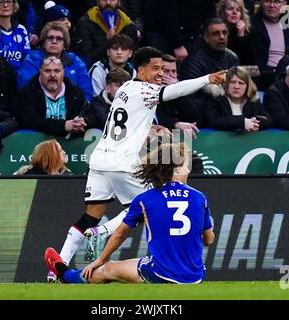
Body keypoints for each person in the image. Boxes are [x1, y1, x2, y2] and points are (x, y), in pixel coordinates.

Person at [45, 46, 225, 282]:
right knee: (146, 206)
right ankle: (101, 234)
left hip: (100, 160)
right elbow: (175, 91)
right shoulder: (146, 90)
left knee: (90, 216)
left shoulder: (125, 89)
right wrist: (207, 79)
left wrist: (150, 128)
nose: (160, 73)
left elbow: (126, 122)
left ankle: (56, 270)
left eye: (163, 68)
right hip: (122, 162)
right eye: (155, 68)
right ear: (140, 69)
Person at [44, 142, 215, 284]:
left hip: (160, 273)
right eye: (186, 166)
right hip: (195, 277)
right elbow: (209, 239)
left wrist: (100, 260)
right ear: (176, 169)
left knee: (108, 269)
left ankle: (67, 276)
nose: (188, 170)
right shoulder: (199, 197)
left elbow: (119, 234)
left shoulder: (145, 199)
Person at [16, 56, 95, 136]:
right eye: (47, 71)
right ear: (40, 72)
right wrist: (63, 126)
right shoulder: (27, 93)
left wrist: (83, 122)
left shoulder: (76, 93)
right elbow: (28, 120)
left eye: (57, 71)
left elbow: (90, 115)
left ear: (63, 73)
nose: (52, 75)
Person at [16, 21, 92, 102]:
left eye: (59, 39)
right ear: (44, 42)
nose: (54, 41)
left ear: (64, 45)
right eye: (50, 38)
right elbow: (25, 89)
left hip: (72, 109)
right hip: (38, 107)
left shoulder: (75, 61)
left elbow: (86, 93)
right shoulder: (32, 59)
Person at [180, 18, 239, 110]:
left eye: (224, 32)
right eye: (216, 33)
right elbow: (190, 98)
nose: (222, 37)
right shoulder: (194, 62)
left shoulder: (233, 57)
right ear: (206, 38)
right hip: (206, 111)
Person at [203, 66, 274, 132]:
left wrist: (255, 121)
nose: (236, 87)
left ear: (247, 86)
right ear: (226, 84)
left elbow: (269, 120)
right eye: (233, 82)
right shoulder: (217, 98)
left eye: (241, 83)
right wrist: (242, 122)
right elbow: (212, 121)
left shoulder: (253, 99)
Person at [143, 0, 216, 62]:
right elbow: (167, 13)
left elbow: (210, 10)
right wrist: (177, 45)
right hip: (164, 35)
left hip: (192, 35)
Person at [73, 0, 138, 68]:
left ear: (119, 1)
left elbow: (134, 57)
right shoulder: (85, 23)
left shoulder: (128, 24)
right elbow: (85, 59)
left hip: (125, 72)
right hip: (94, 72)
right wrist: (108, 42)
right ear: (97, 1)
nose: (108, 3)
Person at [250, 0, 289, 91]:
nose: (272, 5)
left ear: (284, 3)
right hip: (261, 78)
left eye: (277, 2)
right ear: (261, 2)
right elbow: (252, 59)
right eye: (267, 1)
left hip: (284, 76)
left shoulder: (287, 20)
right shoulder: (252, 23)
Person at [156, 54, 201, 136]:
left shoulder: (182, 88)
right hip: (153, 139)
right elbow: (153, 119)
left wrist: (177, 90)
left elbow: (195, 118)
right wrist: (175, 124)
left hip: (176, 138)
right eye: (166, 71)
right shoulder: (148, 90)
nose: (171, 75)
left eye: (174, 71)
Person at [0, 0, 30, 71]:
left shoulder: (21, 30)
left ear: (14, 5)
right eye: (1, 2)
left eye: (9, 2)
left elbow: (26, 58)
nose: (5, 5)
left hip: (18, 77)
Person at [216, 0, 256, 66]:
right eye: (230, 9)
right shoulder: (216, 30)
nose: (234, 12)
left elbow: (250, 62)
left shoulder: (248, 32)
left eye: (238, 10)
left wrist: (241, 36)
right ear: (222, 12)